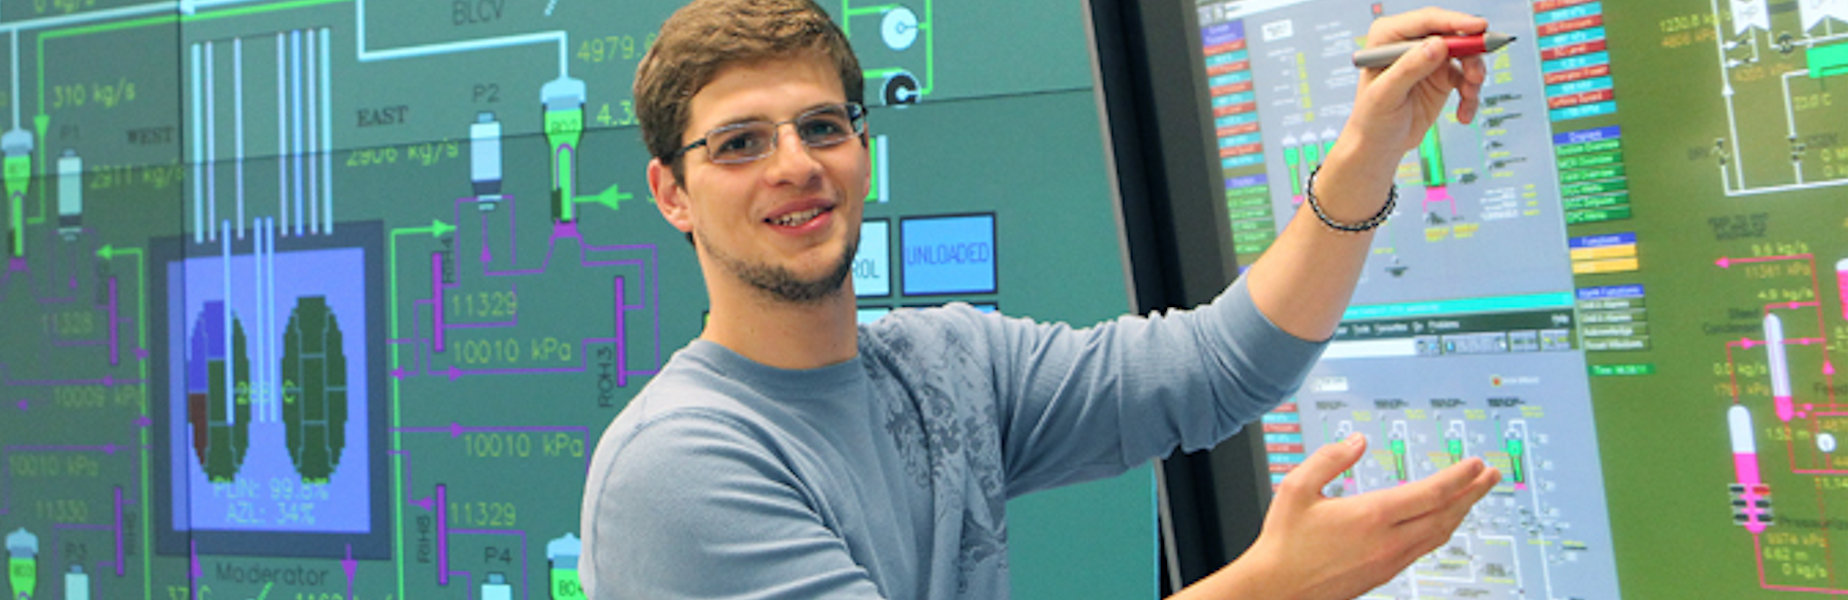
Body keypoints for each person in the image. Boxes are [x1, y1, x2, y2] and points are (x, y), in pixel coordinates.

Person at [578, 0, 1502, 597]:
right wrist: (1272, 587)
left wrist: (1367, 152)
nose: (795, 165)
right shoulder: (679, 470)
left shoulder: (942, 365)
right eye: (739, 143)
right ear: (670, 194)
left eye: (822, 126)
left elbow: (1221, 367)